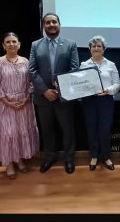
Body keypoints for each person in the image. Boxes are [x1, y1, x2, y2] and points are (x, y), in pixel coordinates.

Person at [29, 13, 79, 174]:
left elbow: (75, 69)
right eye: (48, 22)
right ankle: (49, 156)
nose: (51, 24)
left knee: (67, 129)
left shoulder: (70, 44)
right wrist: (44, 90)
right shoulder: (36, 45)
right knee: (47, 129)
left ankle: (69, 158)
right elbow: (31, 70)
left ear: (59, 24)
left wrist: (60, 89)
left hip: (64, 97)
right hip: (43, 98)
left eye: (54, 22)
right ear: (44, 26)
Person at [0, 32, 39, 179]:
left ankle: (20, 159)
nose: (11, 44)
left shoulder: (26, 61)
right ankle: (9, 162)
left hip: (24, 104)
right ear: (3, 46)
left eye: (14, 41)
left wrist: (27, 97)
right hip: (5, 104)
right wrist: (7, 102)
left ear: (19, 44)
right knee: (8, 134)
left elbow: (31, 83)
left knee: (21, 131)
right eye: (8, 42)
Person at [80, 35, 120, 171]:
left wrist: (107, 90)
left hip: (106, 100)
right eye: (93, 46)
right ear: (90, 49)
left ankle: (106, 156)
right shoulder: (84, 65)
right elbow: (80, 84)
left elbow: (117, 84)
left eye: (99, 46)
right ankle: (94, 156)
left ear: (104, 49)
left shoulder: (111, 65)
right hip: (89, 101)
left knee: (104, 129)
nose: (96, 48)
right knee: (91, 129)